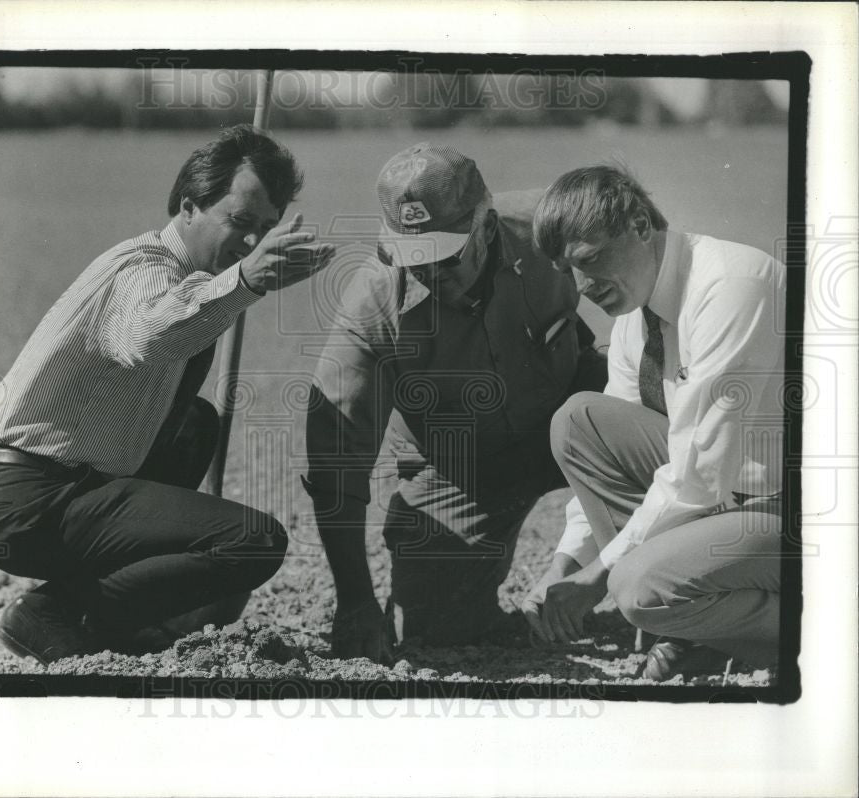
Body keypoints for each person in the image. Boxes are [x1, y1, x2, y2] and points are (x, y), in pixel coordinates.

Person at [0, 124, 335, 664]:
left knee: (193, 424)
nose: (253, 242)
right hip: (29, 498)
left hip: (46, 489)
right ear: (188, 207)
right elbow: (146, 337)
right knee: (254, 541)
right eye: (240, 221)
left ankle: (94, 599)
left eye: (267, 228)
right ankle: (63, 613)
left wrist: (241, 280)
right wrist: (246, 282)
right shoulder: (144, 269)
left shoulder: (185, 274)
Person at [304, 143, 608, 663]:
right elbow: (337, 459)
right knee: (434, 626)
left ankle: (672, 585)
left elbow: (645, 264)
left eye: (443, 258)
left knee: (654, 414)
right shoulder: (375, 305)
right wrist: (355, 600)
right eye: (411, 259)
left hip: (571, 416)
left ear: (487, 228)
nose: (427, 273)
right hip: (460, 465)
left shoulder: (552, 224)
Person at [521, 165, 785, 681]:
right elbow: (610, 467)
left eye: (590, 259)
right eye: (565, 270)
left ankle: (812, 629)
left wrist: (600, 577)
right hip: (728, 503)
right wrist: (566, 566)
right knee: (579, 423)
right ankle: (696, 623)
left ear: (640, 226)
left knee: (636, 588)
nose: (581, 286)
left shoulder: (733, 284)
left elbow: (699, 471)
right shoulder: (632, 321)